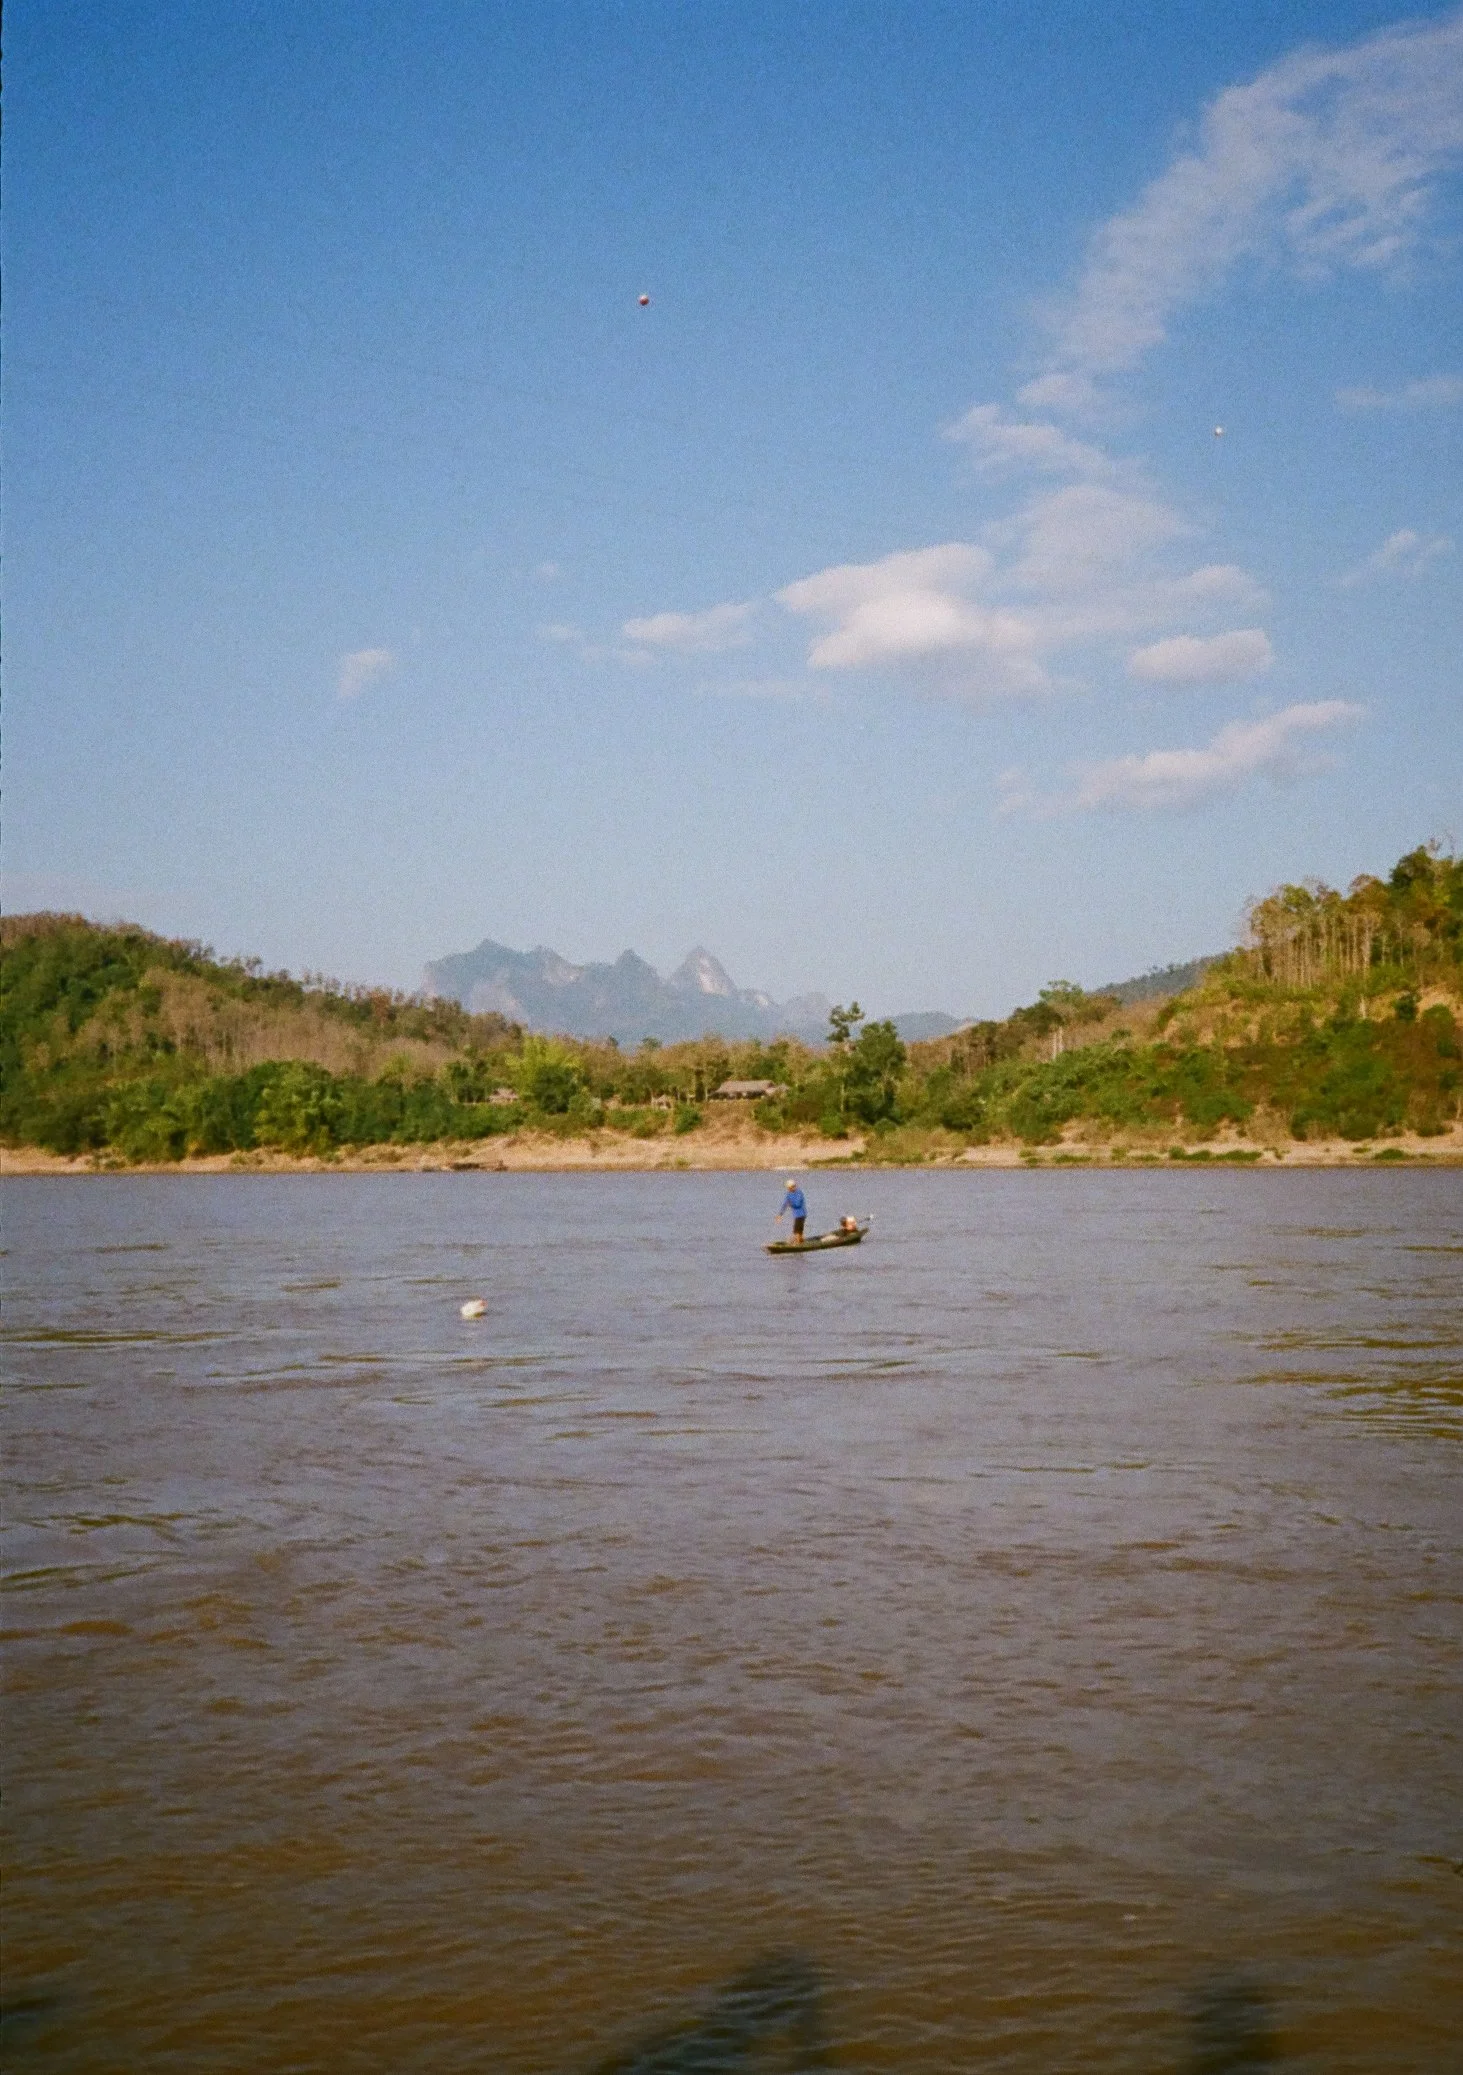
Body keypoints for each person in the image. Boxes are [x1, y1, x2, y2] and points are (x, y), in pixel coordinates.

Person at [776, 1177, 807, 1244]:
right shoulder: (788, 1194)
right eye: (788, 1188)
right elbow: (784, 1204)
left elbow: (798, 1204)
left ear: (793, 1186)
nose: (789, 1189)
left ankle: (798, 1244)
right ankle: (801, 1242)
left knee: (797, 1231)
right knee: (798, 1231)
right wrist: (780, 1215)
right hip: (796, 1215)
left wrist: (791, 1204)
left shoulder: (799, 1193)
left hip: (801, 1214)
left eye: (790, 1187)